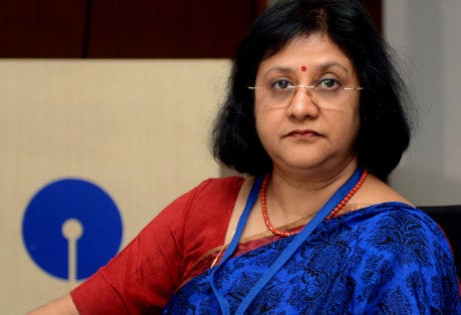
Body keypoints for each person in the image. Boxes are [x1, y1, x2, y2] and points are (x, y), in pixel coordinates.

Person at [28, 0, 461, 313]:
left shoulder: (401, 244)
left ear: (367, 100)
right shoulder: (205, 209)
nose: (300, 106)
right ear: (249, 103)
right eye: (280, 84)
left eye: (328, 83)